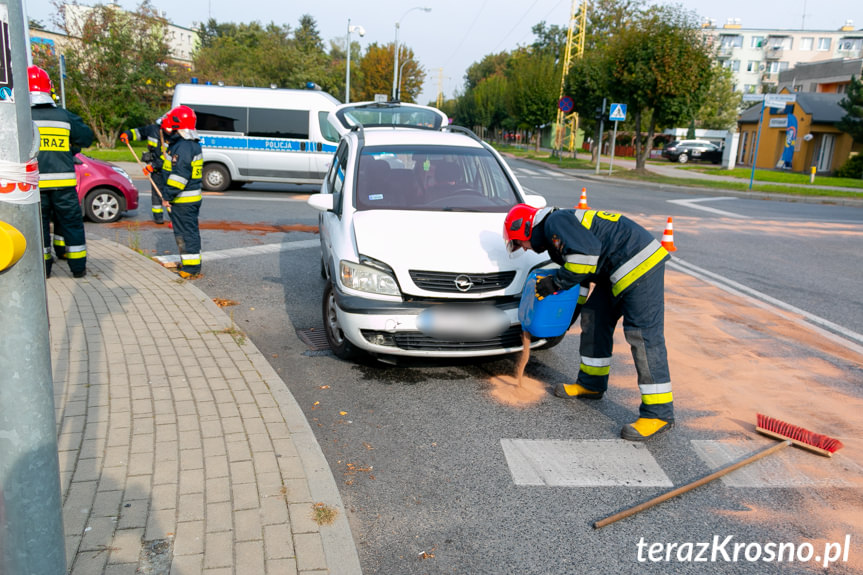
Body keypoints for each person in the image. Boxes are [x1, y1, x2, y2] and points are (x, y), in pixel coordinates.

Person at [504, 203, 674, 441]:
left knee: (643, 336)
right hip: (614, 269)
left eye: (519, 242)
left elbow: (585, 258)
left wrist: (555, 283)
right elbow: (582, 278)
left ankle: (659, 413)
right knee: (594, 319)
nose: (523, 248)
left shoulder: (556, 222)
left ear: (524, 228)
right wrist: (566, 319)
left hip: (638, 264)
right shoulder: (555, 238)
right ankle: (591, 384)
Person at [28, 65, 94, 278]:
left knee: (41, 229)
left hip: (35, 186)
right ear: (49, 89)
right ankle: (78, 270)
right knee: (73, 225)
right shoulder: (64, 117)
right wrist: (69, 148)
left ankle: (45, 270)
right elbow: (85, 137)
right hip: (64, 186)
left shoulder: (22, 117)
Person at [159, 105, 203, 278]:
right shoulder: (187, 145)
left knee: (186, 233)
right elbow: (171, 167)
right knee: (188, 232)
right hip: (187, 199)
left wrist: (167, 195)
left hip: (183, 200)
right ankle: (189, 263)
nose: (167, 129)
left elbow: (180, 176)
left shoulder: (183, 147)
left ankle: (191, 268)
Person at [120, 119, 166, 224]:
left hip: (169, 168)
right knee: (156, 193)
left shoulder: (174, 136)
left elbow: (169, 157)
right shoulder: (153, 129)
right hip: (155, 168)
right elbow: (139, 132)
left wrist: (153, 166)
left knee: (170, 192)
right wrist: (127, 135)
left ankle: (174, 216)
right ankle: (158, 216)